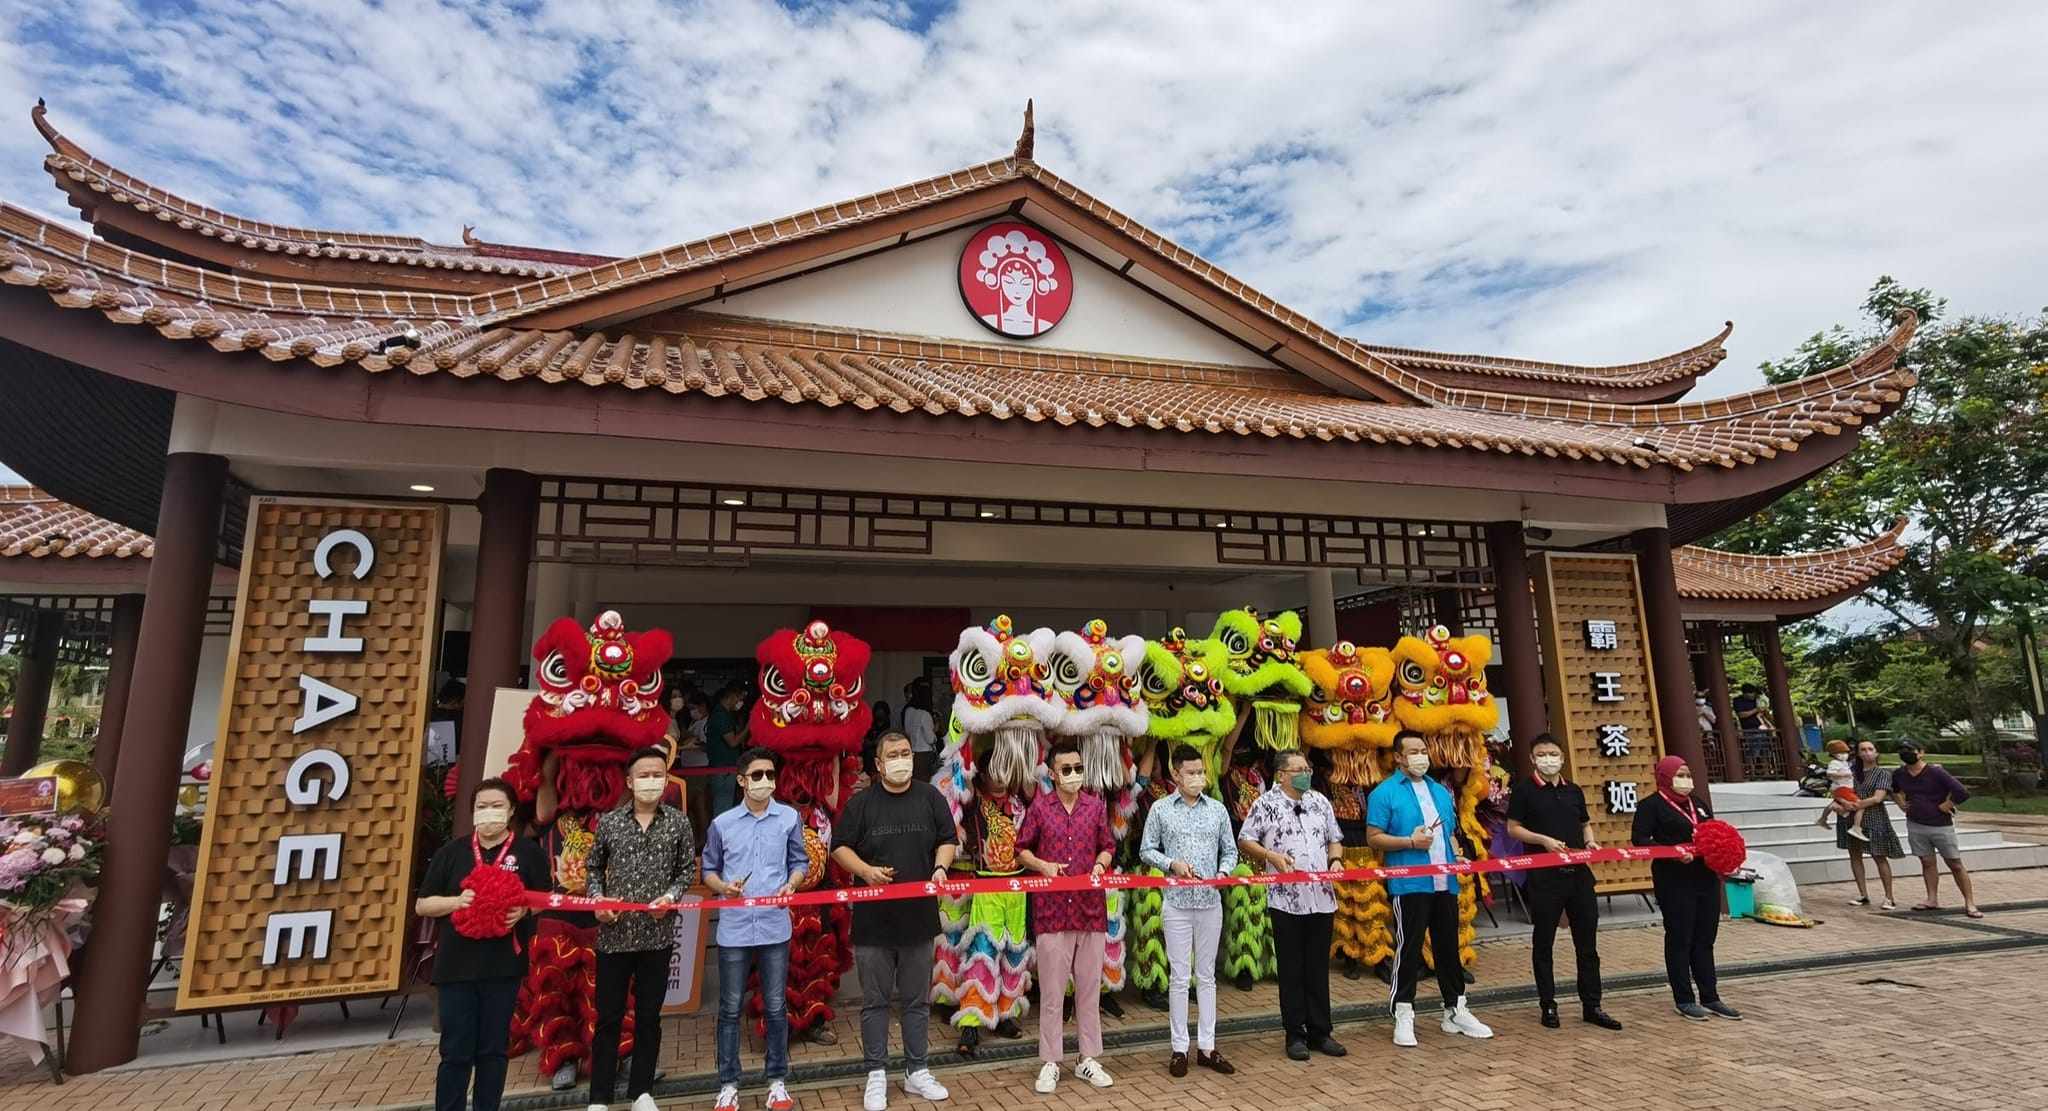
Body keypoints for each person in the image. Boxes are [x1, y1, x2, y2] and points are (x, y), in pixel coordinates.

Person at [830, 732, 956, 1111]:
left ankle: (917, 1070)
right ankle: (876, 1074)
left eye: (906, 753)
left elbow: (947, 838)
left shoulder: (930, 797)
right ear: (879, 765)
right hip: (873, 923)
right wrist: (866, 871)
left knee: (917, 1001)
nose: (901, 759)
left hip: (919, 919)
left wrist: (940, 868)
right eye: (893, 755)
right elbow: (838, 847)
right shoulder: (862, 804)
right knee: (876, 1001)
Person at [416, 778, 551, 1111]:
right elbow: (423, 905)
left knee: (493, 1050)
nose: (489, 813)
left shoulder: (527, 852)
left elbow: (546, 897)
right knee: (455, 1051)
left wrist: (524, 910)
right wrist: (457, 902)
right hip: (456, 968)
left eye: (496, 806)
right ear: (472, 812)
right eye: (481, 807)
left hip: (502, 966)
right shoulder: (452, 852)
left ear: (511, 811)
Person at [586, 747, 700, 1111]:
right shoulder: (610, 823)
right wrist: (598, 900)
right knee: (608, 1017)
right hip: (614, 936)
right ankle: (599, 1097)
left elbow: (685, 870)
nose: (651, 782)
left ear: (666, 781)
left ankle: (642, 1092)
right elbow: (593, 868)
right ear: (630, 781)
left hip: (657, 935)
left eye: (657, 775)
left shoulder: (678, 823)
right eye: (644, 775)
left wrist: (670, 895)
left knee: (650, 1016)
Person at [1367, 730, 1492, 1047]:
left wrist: (1457, 853)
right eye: (1412, 751)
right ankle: (1403, 1012)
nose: (1420, 756)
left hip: (1444, 882)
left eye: (1423, 750)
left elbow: (1448, 832)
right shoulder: (1385, 793)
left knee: (1448, 949)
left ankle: (1456, 1009)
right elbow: (1374, 837)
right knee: (1408, 949)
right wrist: (1410, 841)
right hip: (1409, 883)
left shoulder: (1439, 791)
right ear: (1398, 757)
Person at [701, 747, 809, 1111]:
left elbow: (800, 861)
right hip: (733, 929)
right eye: (758, 775)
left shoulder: (789, 818)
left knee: (776, 1007)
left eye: (770, 774)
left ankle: (777, 1082)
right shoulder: (722, 823)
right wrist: (722, 888)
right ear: (741, 780)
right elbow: (708, 870)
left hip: (775, 926)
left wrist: (792, 884)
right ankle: (728, 1084)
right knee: (729, 1008)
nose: (765, 781)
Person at [1014, 738, 1118, 1093]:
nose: (1074, 774)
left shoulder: (1095, 806)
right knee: (1054, 992)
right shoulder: (1040, 808)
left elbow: (1108, 845)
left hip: (1090, 910)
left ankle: (1088, 1058)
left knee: (1090, 989)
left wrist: (1102, 864)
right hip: (1052, 911)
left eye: (1078, 768)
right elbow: (1021, 850)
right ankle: (1050, 1061)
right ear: (1053, 774)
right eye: (1067, 769)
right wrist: (1043, 866)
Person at [1503, 735, 1621, 1032]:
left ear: (1563, 758)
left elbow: (1584, 822)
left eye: (1553, 753)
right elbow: (1513, 828)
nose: (1548, 759)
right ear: (1532, 758)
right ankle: (1548, 1004)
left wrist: (1591, 841)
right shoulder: (1524, 791)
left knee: (1588, 944)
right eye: (1541, 754)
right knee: (1544, 942)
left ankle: (1592, 1005)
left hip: (1579, 875)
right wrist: (1542, 841)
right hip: (1544, 877)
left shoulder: (1573, 790)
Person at [1237, 748, 1348, 1061]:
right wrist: (1269, 856)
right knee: (1291, 968)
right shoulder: (1265, 804)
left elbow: (1334, 837)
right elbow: (1246, 839)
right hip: (1286, 899)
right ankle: (1295, 1034)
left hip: (1322, 897)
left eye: (1307, 767)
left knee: (1317, 967)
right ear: (1282, 774)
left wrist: (1336, 859)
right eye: (1299, 769)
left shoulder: (1320, 801)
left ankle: (1321, 1032)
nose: (1306, 773)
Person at [1138, 745, 1238, 1078]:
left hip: (1210, 902)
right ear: (1176, 775)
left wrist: (1223, 874)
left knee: (1207, 977)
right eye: (1192, 772)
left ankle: (1207, 1048)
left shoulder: (1218, 810)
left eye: (1201, 771)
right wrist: (1171, 864)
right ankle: (1179, 1048)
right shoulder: (1161, 809)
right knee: (1180, 978)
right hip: (1177, 905)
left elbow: (1230, 851)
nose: (1199, 777)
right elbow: (1146, 850)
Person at [1631, 756, 1738, 1022]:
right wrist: (1673, 852)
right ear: (1665, 777)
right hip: (1674, 880)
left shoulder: (1698, 804)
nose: (1685, 779)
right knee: (1680, 938)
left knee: (1705, 938)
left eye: (1688, 774)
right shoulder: (1651, 806)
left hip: (1705, 878)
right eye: (1679, 774)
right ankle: (1684, 998)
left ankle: (1710, 995)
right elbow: (1640, 840)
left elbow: (1714, 834)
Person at [1892, 741, 1981, 918]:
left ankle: (1970, 902)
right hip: (1916, 823)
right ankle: (1932, 898)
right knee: (1927, 862)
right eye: (1902, 751)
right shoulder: (1900, 774)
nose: (1905, 753)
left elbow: (1961, 792)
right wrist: (1901, 804)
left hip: (1941, 825)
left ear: (1921, 752)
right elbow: (1894, 790)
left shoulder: (1935, 772)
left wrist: (1946, 805)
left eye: (1910, 750)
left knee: (1954, 863)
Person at [1839, 738, 1904, 909]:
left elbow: (1878, 798)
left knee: (1879, 855)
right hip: (1850, 816)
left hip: (1874, 818)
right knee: (1854, 854)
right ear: (1858, 753)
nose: (1867, 752)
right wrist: (1844, 802)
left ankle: (1889, 896)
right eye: (1863, 749)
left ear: (1876, 752)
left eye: (1870, 749)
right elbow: (1838, 788)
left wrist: (1857, 804)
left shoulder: (1882, 773)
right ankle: (1862, 893)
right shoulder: (1849, 772)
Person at [706, 685, 751, 817]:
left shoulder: (726, 714)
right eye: (739, 698)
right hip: (723, 767)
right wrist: (749, 726)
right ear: (731, 696)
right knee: (723, 806)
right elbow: (733, 742)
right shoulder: (721, 715)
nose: (739, 703)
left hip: (726, 766)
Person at [1814, 739, 1867, 841]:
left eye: (1845, 752)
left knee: (1843, 807)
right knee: (1861, 805)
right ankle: (1856, 827)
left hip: (1845, 789)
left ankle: (1823, 818)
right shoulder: (1835, 763)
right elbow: (1829, 773)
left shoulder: (1844, 763)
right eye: (1840, 753)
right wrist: (1844, 774)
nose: (1844, 755)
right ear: (1833, 754)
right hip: (1843, 788)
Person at [901, 679, 939, 781]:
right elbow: (930, 739)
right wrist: (935, 730)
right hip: (925, 755)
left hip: (912, 753)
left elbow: (907, 731)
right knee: (925, 784)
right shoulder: (925, 714)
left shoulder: (908, 711)